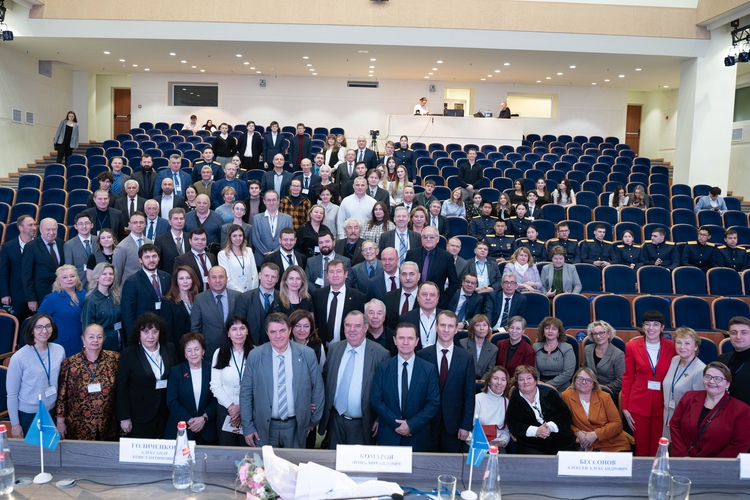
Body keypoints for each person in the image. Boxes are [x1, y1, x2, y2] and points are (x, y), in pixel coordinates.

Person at [240, 312, 325, 448]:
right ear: (267, 333)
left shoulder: (307, 354)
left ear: (290, 330)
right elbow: (246, 392)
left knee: (293, 462)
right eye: (273, 332)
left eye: (282, 330)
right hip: (264, 427)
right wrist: (248, 426)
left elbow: (318, 388)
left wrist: (312, 421)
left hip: (296, 426)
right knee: (265, 462)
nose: (278, 336)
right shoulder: (255, 356)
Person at [319, 311, 389, 448]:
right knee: (335, 459)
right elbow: (325, 379)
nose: (352, 330)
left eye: (357, 326)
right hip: (335, 421)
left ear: (365, 328)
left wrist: (380, 418)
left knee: (359, 462)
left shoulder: (380, 354)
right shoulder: (334, 349)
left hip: (363, 424)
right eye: (348, 325)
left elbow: (387, 392)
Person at [370, 323, 440, 451]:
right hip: (389, 436)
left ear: (417, 341)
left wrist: (411, 425)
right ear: (394, 340)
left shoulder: (429, 369)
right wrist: (397, 424)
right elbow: (376, 400)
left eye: (410, 338)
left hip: (417, 437)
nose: (406, 342)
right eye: (401, 338)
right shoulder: (383, 367)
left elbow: (433, 403)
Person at [417, 310, 475, 452]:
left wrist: (465, 425)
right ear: (436, 327)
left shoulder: (466, 358)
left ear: (456, 330)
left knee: (449, 464)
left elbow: (469, 395)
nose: (446, 329)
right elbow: (417, 393)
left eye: (450, 326)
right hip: (426, 424)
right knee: (426, 463)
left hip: (454, 426)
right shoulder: (422, 355)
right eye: (442, 325)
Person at [621, 310, 676, 456]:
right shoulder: (631, 346)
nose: (651, 328)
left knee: (658, 449)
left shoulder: (672, 347)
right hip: (638, 404)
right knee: (641, 448)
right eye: (647, 324)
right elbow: (627, 377)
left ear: (662, 327)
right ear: (642, 327)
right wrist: (625, 407)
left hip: (663, 404)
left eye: (655, 324)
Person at [669, 362, 750, 458]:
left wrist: (711, 464)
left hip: (717, 465)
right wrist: (683, 457)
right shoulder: (688, 397)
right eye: (708, 377)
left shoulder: (741, 410)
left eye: (718, 379)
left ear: (727, 384)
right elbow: (675, 425)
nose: (711, 381)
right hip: (683, 460)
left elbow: (739, 445)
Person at [117, 313, 179, 439]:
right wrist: (124, 417)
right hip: (140, 416)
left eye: (154, 331)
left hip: (166, 414)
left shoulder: (170, 348)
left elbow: (178, 380)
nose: (150, 336)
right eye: (145, 332)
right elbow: (121, 388)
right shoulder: (129, 353)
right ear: (138, 333)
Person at [55, 324, 120, 441]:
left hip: (108, 424)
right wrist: (60, 422)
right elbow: (62, 396)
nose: (95, 340)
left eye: (99, 337)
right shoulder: (70, 363)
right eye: (91, 337)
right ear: (83, 339)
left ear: (104, 339)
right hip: (79, 426)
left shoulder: (115, 359)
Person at [7, 313, 66, 438]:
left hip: (52, 410)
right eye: (39, 327)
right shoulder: (19, 358)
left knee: (52, 448)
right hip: (29, 414)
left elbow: (62, 384)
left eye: (48, 326)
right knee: (33, 450)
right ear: (31, 330)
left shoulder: (59, 350)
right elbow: (12, 394)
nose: (44, 331)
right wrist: (15, 424)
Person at [506, 364, 577, 455]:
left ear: (535, 380)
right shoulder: (515, 399)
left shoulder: (550, 393)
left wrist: (550, 427)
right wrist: (536, 431)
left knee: (565, 456)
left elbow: (566, 415)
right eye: (521, 379)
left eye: (529, 378)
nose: (525, 382)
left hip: (558, 438)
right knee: (535, 461)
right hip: (530, 443)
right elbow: (512, 423)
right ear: (517, 383)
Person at [560, 367, 630, 452]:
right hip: (586, 444)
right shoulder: (566, 396)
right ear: (575, 380)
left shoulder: (605, 397)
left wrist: (595, 434)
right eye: (580, 379)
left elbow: (617, 424)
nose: (584, 382)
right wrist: (576, 431)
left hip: (612, 442)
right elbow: (563, 422)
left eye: (588, 380)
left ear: (594, 384)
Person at [210, 315, 255, 446]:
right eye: (234, 329)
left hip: (250, 410)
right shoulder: (219, 353)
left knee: (248, 451)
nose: (239, 333)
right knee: (227, 450)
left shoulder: (256, 352)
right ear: (228, 333)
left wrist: (242, 407)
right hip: (226, 410)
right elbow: (215, 385)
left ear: (247, 331)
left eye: (242, 328)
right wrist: (231, 407)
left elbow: (260, 386)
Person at [165, 333, 217, 443]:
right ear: (184, 354)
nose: (193, 353)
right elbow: (171, 401)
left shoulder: (212, 369)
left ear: (203, 351)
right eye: (189, 350)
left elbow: (217, 398)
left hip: (207, 430)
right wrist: (189, 420)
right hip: (182, 430)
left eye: (197, 349)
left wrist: (204, 418)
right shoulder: (176, 371)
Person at [120, 244, 171, 339]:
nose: (151, 260)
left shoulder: (167, 277)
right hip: (144, 333)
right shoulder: (132, 281)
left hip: (165, 331)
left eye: (154, 256)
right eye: (147, 257)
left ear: (159, 258)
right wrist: (134, 338)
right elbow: (128, 314)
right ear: (140, 260)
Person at [663, 327, 705, 439]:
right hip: (667, 416)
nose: (682, 347)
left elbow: (698, 405)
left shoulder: (700, 370)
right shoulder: (674, 360)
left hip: (683, 422)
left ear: (695, 347)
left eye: (687, 343)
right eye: (679, 342)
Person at [191, 266, 242, 356]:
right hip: (209, 349)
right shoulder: (199, 299)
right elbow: (195, 327)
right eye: (214, 277)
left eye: (221, 277)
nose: (218, 280)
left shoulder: (238, 296)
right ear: (208, 280)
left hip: (235, 347)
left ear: (226, 279)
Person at [313, 259, 365, 344]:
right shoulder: (318, 294)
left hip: (346, 345)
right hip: (321, 345)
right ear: (327, 275)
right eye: (331, 272)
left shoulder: (358, 297)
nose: (335, 275)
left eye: (339, 271)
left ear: (346, 274)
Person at [405, 226, 459, 308]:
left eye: (432, 237)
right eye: (425, 236)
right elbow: (405, 277)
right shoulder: (411, 254)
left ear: (438, 239)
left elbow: (454, 283)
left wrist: (443, 301)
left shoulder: (446, 257)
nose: (428, 239)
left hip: (436, 303)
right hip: (413, 300)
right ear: (421, 239)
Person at [38, 265, 86, 357]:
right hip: (64, 344)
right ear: (59, 281)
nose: (69, 279)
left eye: (72, 276)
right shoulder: (52, 298)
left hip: (84, 341)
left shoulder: (83, 293)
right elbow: (39, 320)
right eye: (65, 277)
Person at [22, 217, 65, 313]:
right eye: (48, 229)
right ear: (41, 230)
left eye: (54, 229)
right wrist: (31, 299)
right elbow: (27, 276)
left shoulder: (61, 243)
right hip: (40, 295)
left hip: (60, 292)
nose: (51, 232)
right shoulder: (31, 247)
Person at [0, 215, 37, 324]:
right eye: (30, 225)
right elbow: (3, 272)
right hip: (17, 294)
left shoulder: (40, 245)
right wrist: (5, 294)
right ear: (20, 227)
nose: (34, 227)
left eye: (34, 224)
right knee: (17, 324)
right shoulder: (8, 247)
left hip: (36, 293)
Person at [81, 263, 122, 352]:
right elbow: (87, 327)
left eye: (111, 274)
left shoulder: (116, 296)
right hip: (103, 343)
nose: (108, 276)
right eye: (104, 274)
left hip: (120, 340)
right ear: (97, 277)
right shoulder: (91, 301)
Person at [236, 263, 279, 346]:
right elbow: (239, 324)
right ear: (259, 275)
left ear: (277, 279)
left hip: (277, 346)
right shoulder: (245, 298)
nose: (269, 279)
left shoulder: (283, 298)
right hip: (251, 346)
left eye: (273, 277)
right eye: (266, 275)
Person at [473, 365, 511, 452]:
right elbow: (468, 430)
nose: (499, 383)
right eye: (495, 378)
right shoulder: (477, 399)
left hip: (496, 444)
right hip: (476, 443)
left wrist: (503, 441)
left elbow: (506, 431)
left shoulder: (506, 402)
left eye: (503, 380)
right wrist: (483, 443)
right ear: (489, 381)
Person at [583, 320, 625, 396]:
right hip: (588, 389)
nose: (598, 336)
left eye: (601, 333)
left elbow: (620, 381)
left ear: (608, 334)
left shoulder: (618, 354)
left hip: (609, 392)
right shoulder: (587, 349)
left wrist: (600, 389)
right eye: (595, 333)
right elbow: (585, 370)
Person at [252, 190, 294, 266]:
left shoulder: (287, 218)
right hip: (261, 258)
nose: (271, 203)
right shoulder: (257, 218)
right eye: (268, 200)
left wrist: (275, 252)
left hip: (281, 257)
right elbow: (255, 239)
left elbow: (289, 238)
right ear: (264, 201)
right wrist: (267, 253)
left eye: (274, 200)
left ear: (278, 201)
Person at [533, 316, 576, 391]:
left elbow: (567, 373)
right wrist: (538, 384)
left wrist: (547, 386)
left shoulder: (567, 348)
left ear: (558, 333)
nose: (550, 331)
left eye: (554, 329)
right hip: (539, 387)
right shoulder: (536, 347)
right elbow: (534, 370)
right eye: (547, 328)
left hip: (562, 388)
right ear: (543, 332)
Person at [112, 211, 151, 286]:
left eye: (141, 222)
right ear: (129, 224)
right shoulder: (122, 246)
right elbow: (117, 273)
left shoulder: (150, 242)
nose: (138, 225)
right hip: (129, 287)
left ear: (145, 224)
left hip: (148, 285)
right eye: (135, 222)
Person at [218, 224, 258, 293]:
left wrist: (252, 291)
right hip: (233, 293)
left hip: (250, 292)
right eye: (234, 236)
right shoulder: (223, 254)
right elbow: (227, 278)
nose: (238, 238)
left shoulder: (249, 251)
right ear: (230, 237)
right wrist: (241, 293)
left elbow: (254, 274)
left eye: (240, 235)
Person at [719, 316, 750, 406]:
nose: (738, 337)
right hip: (723, 409)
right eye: (734, 332)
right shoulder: (722, 359)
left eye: (744, 332)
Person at [460, 314, 498, 380]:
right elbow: (460, 368)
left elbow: (489, 371)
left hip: (482, 383)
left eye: (484, 325)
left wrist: (480, 384)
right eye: (478, 325)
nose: (482, 328)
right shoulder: (462, 344)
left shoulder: (493, 349)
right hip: (464, 380)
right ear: (472, 328)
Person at [64, 212, 95, 290]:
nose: (84, 226)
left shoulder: (99, 240)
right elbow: (69, 268)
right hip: (80, 285)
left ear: (92, 225)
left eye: (87, 223)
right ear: (75, 226)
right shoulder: (69, 245)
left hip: (99, 283)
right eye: (80, 224)